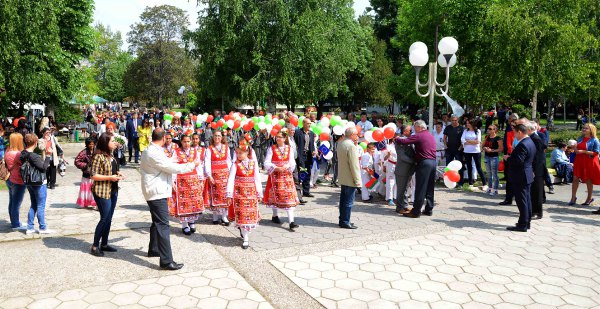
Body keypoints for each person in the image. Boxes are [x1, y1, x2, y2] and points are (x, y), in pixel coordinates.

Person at [141, 128, 198, 270]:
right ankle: (166, 260)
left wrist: (173, 159)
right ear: (162, 139)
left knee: (156, 222)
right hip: (156, 191)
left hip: (156, 190)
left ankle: (154, 249)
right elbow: (169, 167)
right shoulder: (153, 152)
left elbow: (165, 162)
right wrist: (192, 165)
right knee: (163, 224)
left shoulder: (154, 149)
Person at [89, 133, 124, 257]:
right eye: (112, 141)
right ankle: (94, 246)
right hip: (102, 191)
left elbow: (112, 169)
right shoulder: (98, 156)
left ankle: (104, 244)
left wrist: (118, 174)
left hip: (113, 190)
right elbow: (93, 175)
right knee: (104, 218)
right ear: (105, 143)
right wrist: (110, 177)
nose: (114, 142)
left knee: (109, 218)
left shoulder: (111, 155)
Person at [395, 120, 437, 218]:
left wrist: (396, 138)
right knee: (429, 188)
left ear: (419, 127)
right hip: (433, 162)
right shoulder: (430, 135)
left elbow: (404, 141)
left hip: (424, 163)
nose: (413, 130)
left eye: (414, 128)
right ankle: (428, 209)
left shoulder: (420, 135)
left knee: (420, 188)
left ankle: (416, 211)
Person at [226, 145, 263, 249]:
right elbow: (231, 179)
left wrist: (259, 192)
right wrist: (229, 194)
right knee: (242, 215)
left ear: (247, 152)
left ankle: (245, 234)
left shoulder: (253, 164)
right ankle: (245, 238)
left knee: (249, 214)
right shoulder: (235, 164)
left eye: (241, 153)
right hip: (239, 193)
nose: (238, 155)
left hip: (251, 193)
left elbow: (257, 178)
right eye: (237, 153)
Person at [169, 135, 206, 235]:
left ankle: (192, 221)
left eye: (188, 141)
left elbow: (198, 166)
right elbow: (173, 167)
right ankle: (184, 224)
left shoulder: (195, 151)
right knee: (184, 203)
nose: (187, 143)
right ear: (181, 142)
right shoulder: (176, 152)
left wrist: (201, 179)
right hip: (181, 180)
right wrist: (172, 181)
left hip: (193, 179)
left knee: (193, 201)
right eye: (185, 141)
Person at [263, 130, 300, 230]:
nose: (278, 138)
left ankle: (291, 221)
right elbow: (266, 162)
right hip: (275, 176)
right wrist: (275, 167)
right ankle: (275, 215)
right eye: (277, 137)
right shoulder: (272, 148)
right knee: (275, 195)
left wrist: (286, 166)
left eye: (280, 137)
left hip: (286, 175)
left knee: (289, 197)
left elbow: (292, 162)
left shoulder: (289, 148)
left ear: (284, 138)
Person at [20, 134, 52, 234]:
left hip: (29, 182)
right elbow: (44, 167)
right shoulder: (33, 156)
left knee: (33, 204)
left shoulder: (23, 153)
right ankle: (42, 227)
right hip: (39, 183)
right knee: (40, 206)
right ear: (35, 142)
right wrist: (48, 156)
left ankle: (30, 227)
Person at [506, 124, 535, 232]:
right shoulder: (530, 142)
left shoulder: (523, 144)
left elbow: (518, 161)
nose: (514, 135)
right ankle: (526, 222)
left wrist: (508, 159)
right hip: (526, 174)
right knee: (526, 199)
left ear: (519, 132)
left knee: (522, 200)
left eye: (515, 132)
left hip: (521, 175)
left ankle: (522, 224)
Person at [569, 123, 600, 206]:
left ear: (591, 130)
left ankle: (589, 198)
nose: (584, 129)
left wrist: (583, 152)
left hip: (589, 161)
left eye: (586, 128)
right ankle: (573, 197)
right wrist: (574, 148)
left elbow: (596, 152)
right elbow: (577, 149)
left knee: (588, 179)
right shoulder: (580, 138)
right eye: (583, 128)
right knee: (575, 178)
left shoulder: (594, 140)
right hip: (579, 160)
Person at [206, 130, 233, 225]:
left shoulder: (226, 147)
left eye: (219, 136)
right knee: (215, 195)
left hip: (225, 174)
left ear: (221, 137)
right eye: (215, 136)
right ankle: (215, 216)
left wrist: (231, 173)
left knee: (225, 195)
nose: (217, 137)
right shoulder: (209, 149)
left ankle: (224, 216)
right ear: (213, 137)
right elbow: (207, 162)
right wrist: (209, 175)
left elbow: (229, 160)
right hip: (215, 175)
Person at [336, 127, 361, 229]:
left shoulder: (341, 143)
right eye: (356, 134)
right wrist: (358, 180)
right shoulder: (351, 146)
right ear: (352, 135)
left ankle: (342, 219)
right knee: (348, 201)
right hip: (350, 177)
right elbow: (354, 165)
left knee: (343, 200)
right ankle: (345, 221)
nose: (357, 136)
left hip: (343, 176)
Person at [5, 133, 26, 230]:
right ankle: (15, 224)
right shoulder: (18, 154)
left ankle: (14, 221)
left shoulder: (7, 151)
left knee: (12, 202)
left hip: (9, 179)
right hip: (18, 181)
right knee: (16, 203)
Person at [395, 125, 416, 214]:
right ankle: (399, 207)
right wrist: (414, 161)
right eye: (409, 130)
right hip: (402, 170)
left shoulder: (409, 140)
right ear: (404, 132)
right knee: (401, 190)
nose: (411, 131)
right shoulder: (399, 141)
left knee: (406, 189)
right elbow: (403, 156)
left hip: (409, 170)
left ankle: (405, 205)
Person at [461, 119, 487, 190]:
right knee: (469, 167)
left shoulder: (478, 131)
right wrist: (472, 141)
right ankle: (470, 183)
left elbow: (478, 141)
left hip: (476, 151)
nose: (467, 124)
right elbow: (462, 140)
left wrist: (468, 141)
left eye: (468, 123)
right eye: (466, 123)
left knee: (478, 167)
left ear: (472, 124)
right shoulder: (465, 131)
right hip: (467, 151)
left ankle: (484, 184)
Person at [499, 114, 519, 205]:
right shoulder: (508, 129)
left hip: (514, 157)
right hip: (509, 156)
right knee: (509, 178)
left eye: (513, 122)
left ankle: (512, 196)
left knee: (514, 178)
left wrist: (510, 154)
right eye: (510, 121)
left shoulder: (518, 133)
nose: (511, 124)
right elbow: (507, 143)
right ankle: (509, 198)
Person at [294, 118, 316, 198]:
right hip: (300, 155)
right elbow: (295, 144)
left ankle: (306, 191)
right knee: (301, 173)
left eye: (310, 123)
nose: (309, 125)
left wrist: (313, 151)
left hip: (308, 155)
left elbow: (312, 145)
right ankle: (298, 192)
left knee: (308, 173)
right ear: (303, 124)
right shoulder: (298, 132)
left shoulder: (311, 133)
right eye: (307, 123)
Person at [74, 138, 97, 209]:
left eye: (93, 144)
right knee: (86, 189)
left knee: (95, 189)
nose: (91, 145)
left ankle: (96, 203)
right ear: (87, 144)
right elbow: (77, 161)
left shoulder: (96, 151)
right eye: (90, 144)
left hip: (96, 174)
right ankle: (83, 203)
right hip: (86, 174)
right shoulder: (83, 152)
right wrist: (85, 166)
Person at [483, 124, 503, 196]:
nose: (489, 130)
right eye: (488, 128)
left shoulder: (498, 138)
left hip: (494, 157)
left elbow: (501, 149)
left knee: (494, 174)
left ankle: (495, 189)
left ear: (495, 130)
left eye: (490, 129)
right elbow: (483, 145)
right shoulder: (487, 137)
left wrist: (492, 150)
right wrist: (485, 148)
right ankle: (490, 187)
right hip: (487, 156)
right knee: (489, 173)